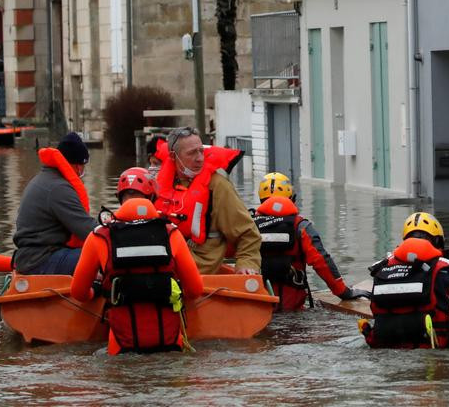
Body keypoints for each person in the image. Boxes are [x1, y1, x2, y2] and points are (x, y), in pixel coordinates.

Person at [70, 189, 204, 355]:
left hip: (121, 346)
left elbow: (78, 292)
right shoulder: (172, 233)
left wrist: (96, 292)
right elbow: (196, 290)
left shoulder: (100, 236)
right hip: (170, 344)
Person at [359, 212, 449, 349]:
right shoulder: (441, 267)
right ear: (437, 242)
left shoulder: (381, 268)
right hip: (429, 347)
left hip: (383, 348)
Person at [252, 172, 370, 311]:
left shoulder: (248, 226)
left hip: (256, 307)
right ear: (292, 198)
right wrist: (344, 292)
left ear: (261, 199)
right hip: (292, 308)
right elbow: (322, 262)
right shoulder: (301, 227)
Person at [155, 126, 262, 275]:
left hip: (201, 272)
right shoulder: (157, 185)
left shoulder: (218, 186)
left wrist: (246, 264)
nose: (199, 158)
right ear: (173, 156)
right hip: (163, 269)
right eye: (192, 153)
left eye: (201, 151)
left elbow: (248, 234)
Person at [13, 132, 98, 275]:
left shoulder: (46, 179)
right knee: (101, 256)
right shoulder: (58, 188)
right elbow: (86, 229)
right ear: (77, 166)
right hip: (40, 260)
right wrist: (114, 233)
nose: (83, 171)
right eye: (84, 165)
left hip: (31, 257)